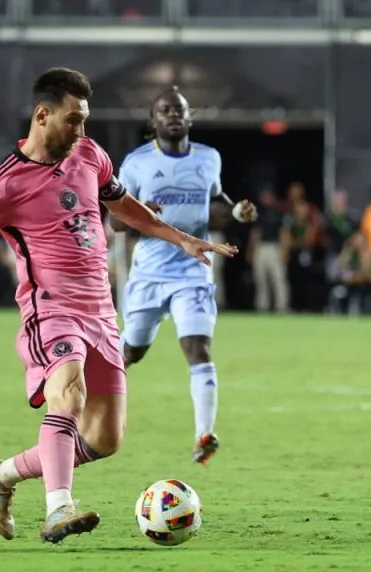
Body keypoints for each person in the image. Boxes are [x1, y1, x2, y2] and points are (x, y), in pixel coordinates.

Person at [0, 68, 236, 544]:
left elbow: (123, 206)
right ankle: (59, 508)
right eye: (73, 119)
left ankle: (1, 476)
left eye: (85, 120)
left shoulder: (89, 155)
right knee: (69, 396)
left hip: (102, 311)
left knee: (104, 438)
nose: (81, 130)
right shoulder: (5, 182)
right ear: (43, 115)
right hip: (52, 308)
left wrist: (182, 239)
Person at [110, 86, 257, 465]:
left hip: (194, 271)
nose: (173, 115)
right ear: (153, 120)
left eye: (180, 110)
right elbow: (116, 219)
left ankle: (204, 434)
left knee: (198, 348)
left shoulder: (209, 158)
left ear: (190, 118)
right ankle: (96, 412)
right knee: (131, 352)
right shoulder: (137, 162)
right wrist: (140, 210)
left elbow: (217, 199)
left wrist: (237, 210)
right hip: (149, 272)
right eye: (165, 110)